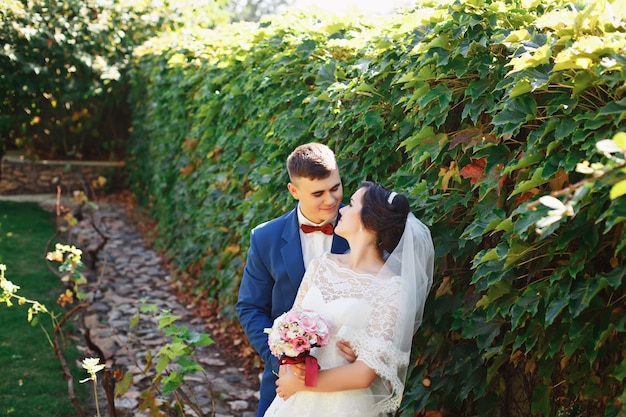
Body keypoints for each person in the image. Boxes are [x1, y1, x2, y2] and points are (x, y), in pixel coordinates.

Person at [263, 181, 435, 417]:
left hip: (342, 404)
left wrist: (303, 383)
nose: (342, 209)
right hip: (295, 397)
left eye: (352, 204)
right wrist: (288, 373)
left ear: (369, 221)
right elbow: (290, 327)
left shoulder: (393, 289)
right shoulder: (321, 265)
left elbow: (364, 373)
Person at [236, 143, 352, 417]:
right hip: (284, 380)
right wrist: (282, 360)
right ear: (294, 191)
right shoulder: (265, 238)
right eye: (318, 193)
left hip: (346, 378)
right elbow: (250, 307)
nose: (331, 200)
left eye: (335, 187)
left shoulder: (362, 227)